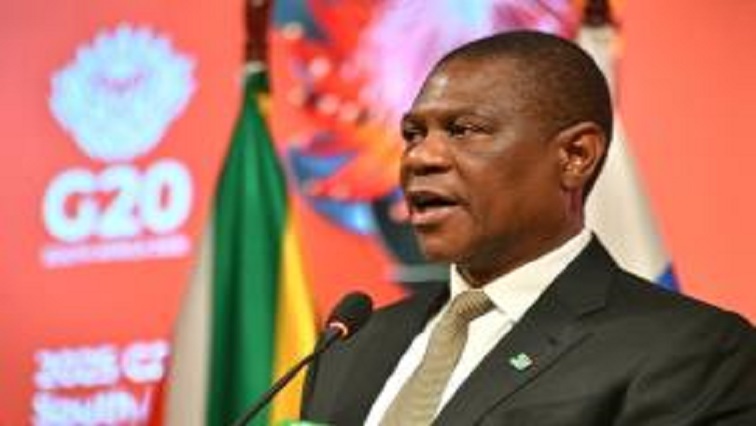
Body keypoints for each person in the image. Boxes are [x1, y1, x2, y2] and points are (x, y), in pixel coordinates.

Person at [300, 30, 756, 425]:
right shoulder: (350, 345)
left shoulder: (690, 350)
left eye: (464, 129)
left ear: (576, 156)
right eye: (413, 134)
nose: (420, 157)